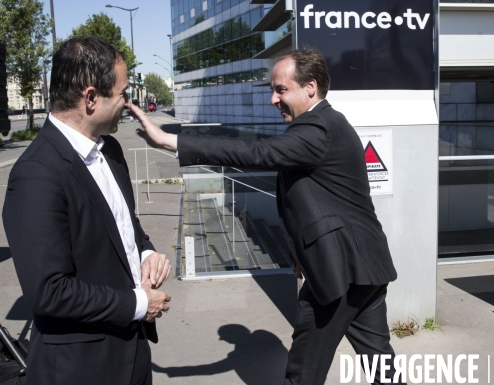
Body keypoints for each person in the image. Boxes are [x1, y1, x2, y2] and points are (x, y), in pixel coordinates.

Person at [134, 48, 398, 384]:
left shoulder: (317, 129)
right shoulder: (328, 123)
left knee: (303, 371)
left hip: (337, 273)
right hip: (365, 267)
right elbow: (318, 201)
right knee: (382, 367)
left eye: (281, 90)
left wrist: (172, 141)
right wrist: (298, 252)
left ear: (311, 87)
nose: (274, 99)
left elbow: (256, 152)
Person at [3, 35, 172, 385]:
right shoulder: (36, 174)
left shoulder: (110, 150)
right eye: (124, 94)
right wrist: (139, 304)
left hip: (133, 355)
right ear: (91, 98)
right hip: (81, 368)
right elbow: (49, 290)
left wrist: (146, 252)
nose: (128, 103)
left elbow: (126, 226)